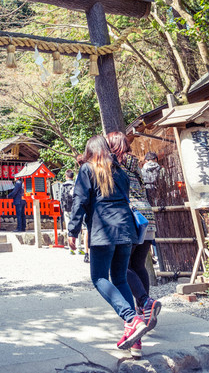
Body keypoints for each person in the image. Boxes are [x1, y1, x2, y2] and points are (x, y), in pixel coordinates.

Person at [68, 134, 153, 351]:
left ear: (90, 151)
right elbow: (125, 198)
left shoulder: (88, 169)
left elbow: (80, 200)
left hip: (103, 230)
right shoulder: (120, 171)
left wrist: (73, 231)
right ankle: (136, 340)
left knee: (98, 278)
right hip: (126, 230)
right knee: (120, 278)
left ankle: (131, 319)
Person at [106, 131, 161, 352]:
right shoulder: (135, 162)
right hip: (147, 216)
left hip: (131, 216)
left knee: (122, 268)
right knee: (139, 265)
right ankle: (146, 311)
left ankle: (144, 304)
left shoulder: (115, 164)